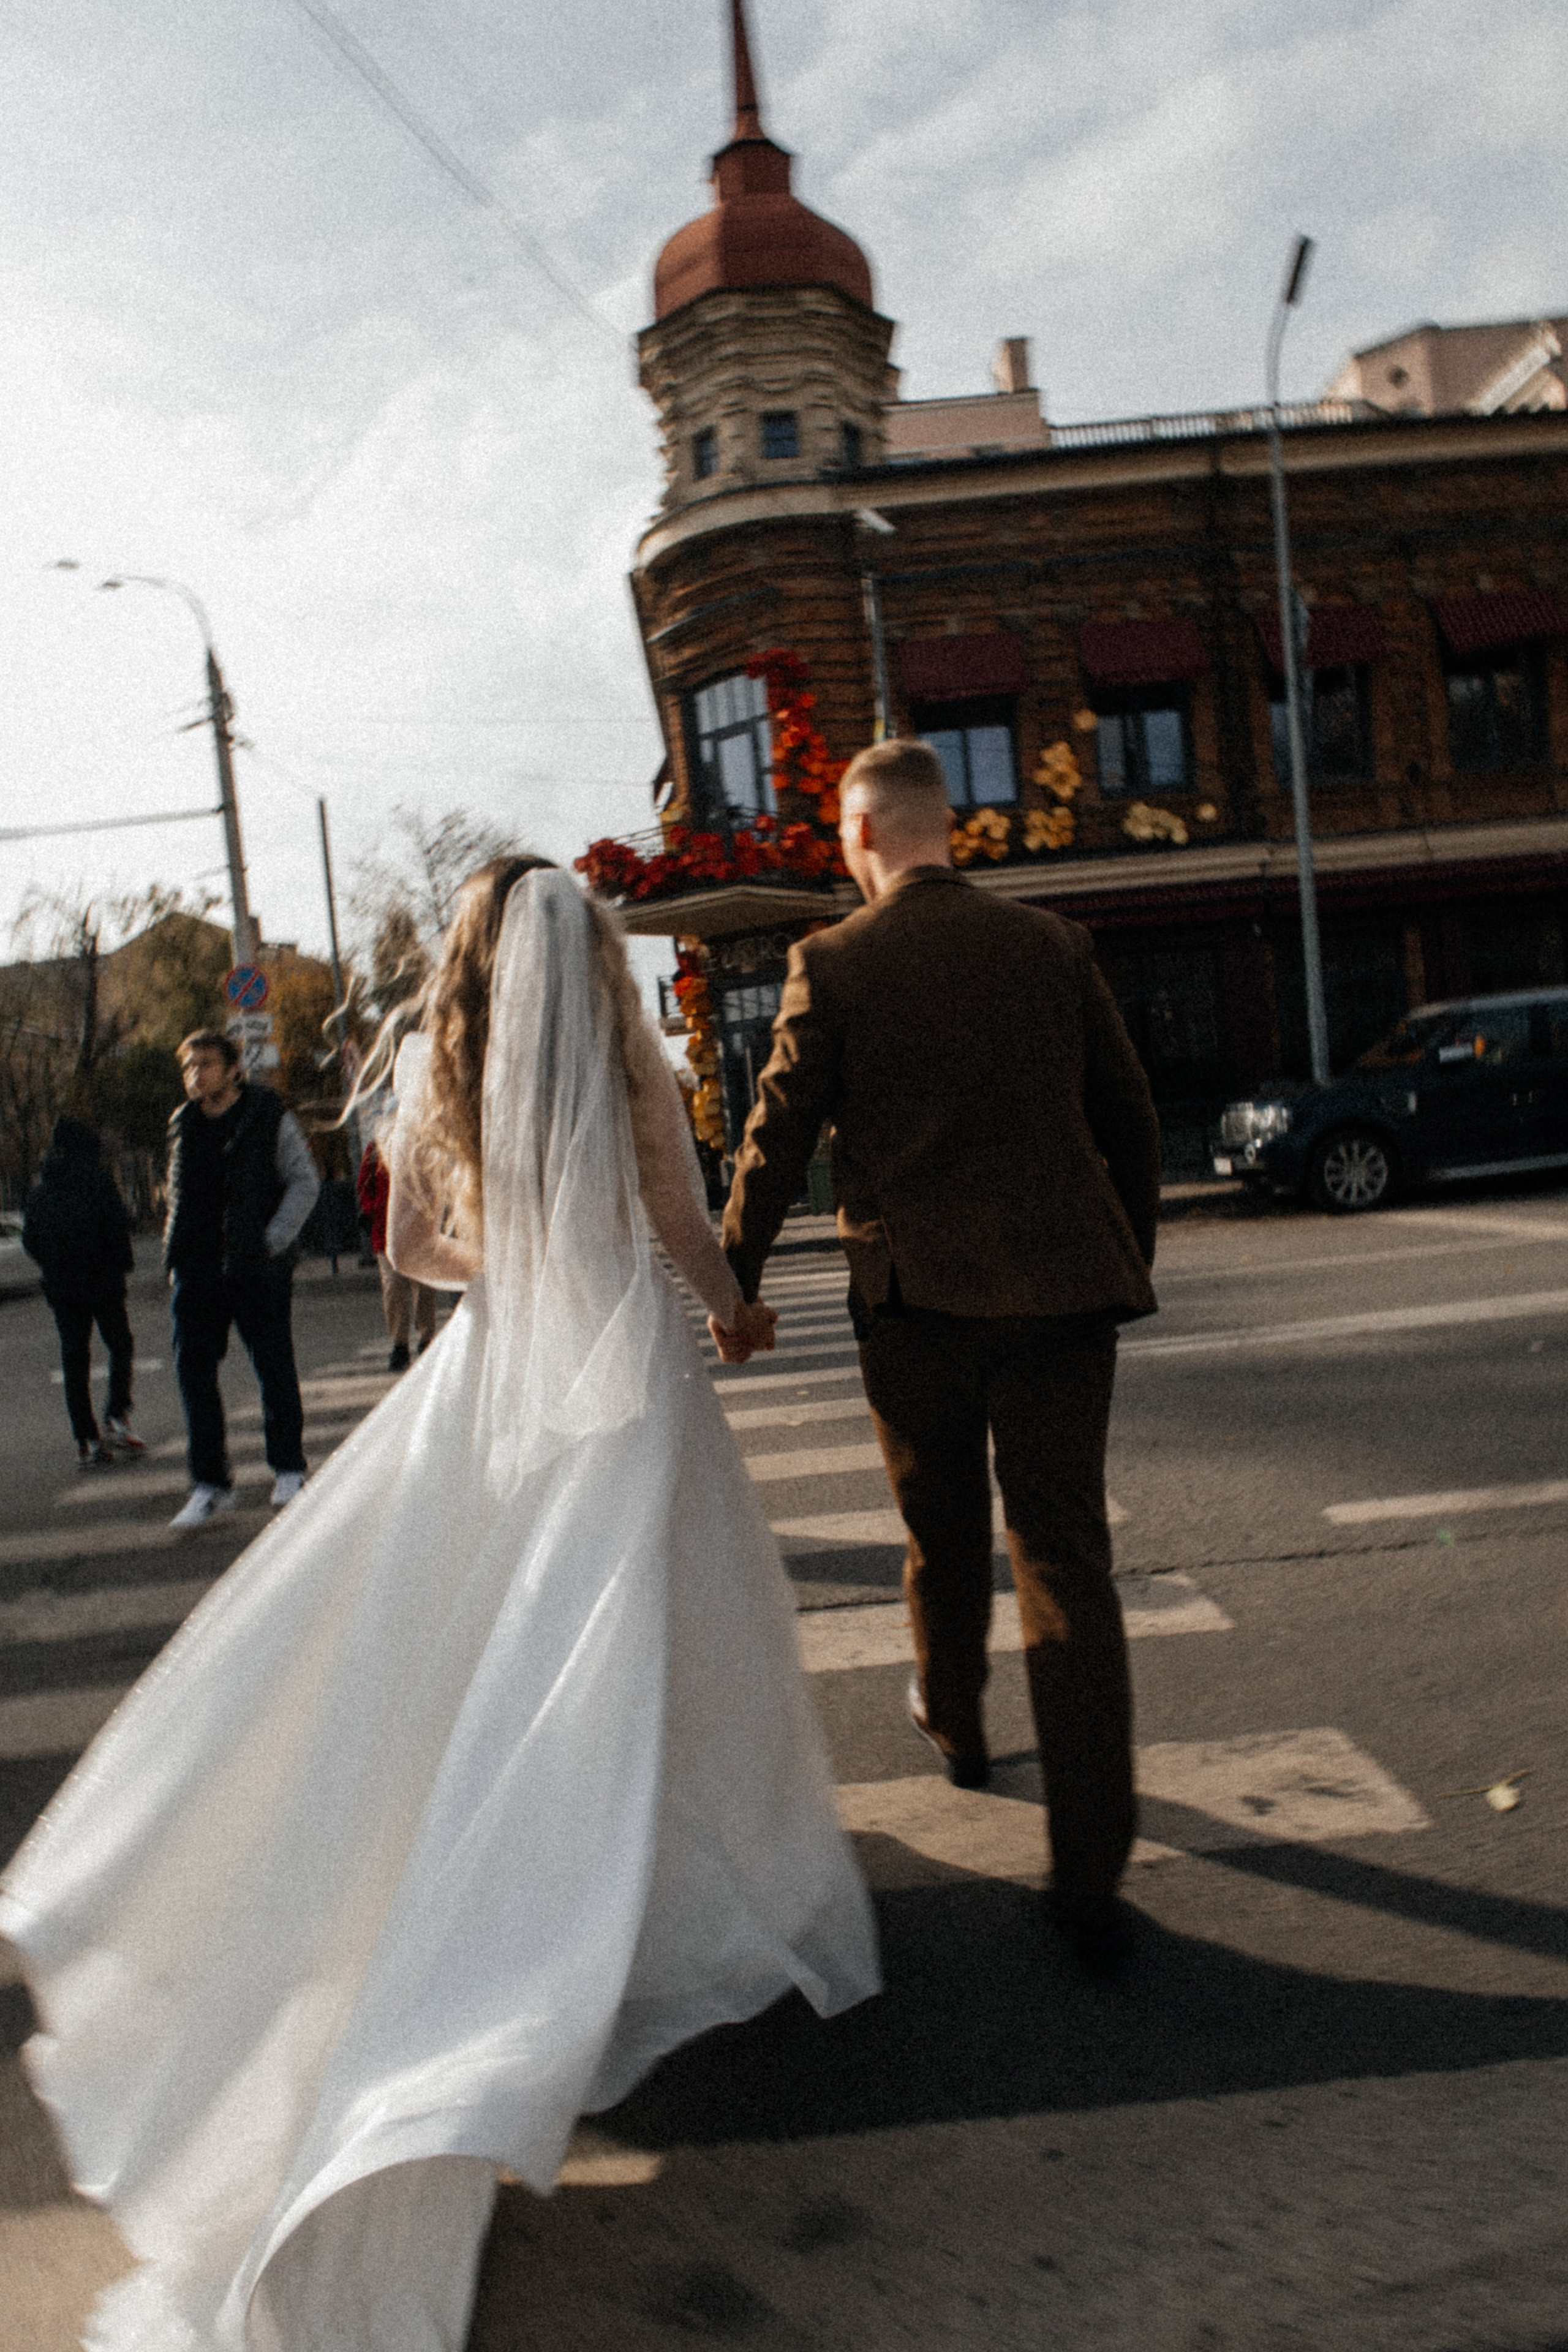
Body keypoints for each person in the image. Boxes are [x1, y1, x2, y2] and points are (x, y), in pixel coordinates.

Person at [0, 859, 876, 2352]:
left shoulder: (438, 1065)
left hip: (495, 1369)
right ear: (588, 959)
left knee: (488, 1644)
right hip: (625, 1375)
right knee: (641, 1642)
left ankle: (529, 1883)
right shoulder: (624, 1054)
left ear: (471, 964)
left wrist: (524, 1262)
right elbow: (672, 1207)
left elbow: (411, 1249)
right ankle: (589, 1912)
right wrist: (725, 1303)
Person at [719, 737, 1162, 1978]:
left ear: (857, 836)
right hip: (1062, 1297)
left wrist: (732, 1281)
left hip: (913, 1307)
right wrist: (1120, 1253)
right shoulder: (1048, 945)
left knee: (940, 1535)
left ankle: (957, 1725)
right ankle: (1087, 1876)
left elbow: (776, 1134)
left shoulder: (833, 963)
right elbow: (1125, 1116)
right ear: (945, 827)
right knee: (1066, 1562)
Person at [164, 1027, 321, 1528]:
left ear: (233, 1070)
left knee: (273, 1367)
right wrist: (174, 1253)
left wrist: (273, 1241)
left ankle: (289, 1469)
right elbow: (175, 1191)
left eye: (206, 1064)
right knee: (195, 1377)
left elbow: (305, 1180)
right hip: (197, 1268)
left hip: (256, 1265)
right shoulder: (183, 1124)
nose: (196, 1074)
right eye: (189, 1066)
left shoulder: (266, 1115)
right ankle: (210, 1484)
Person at [21, 1115, 145, 1469]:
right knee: (120, 1345)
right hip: (103, 1283)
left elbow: (31, 1239)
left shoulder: (41, 1190)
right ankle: (117, 1413)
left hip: (63, 1288)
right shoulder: (98, 1181)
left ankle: (87, 1439)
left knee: (75, 1361)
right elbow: (118, 1226)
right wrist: (120, 1265)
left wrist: (53, 1265)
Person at [357, 1131, 438, 1370]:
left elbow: (434, 1182)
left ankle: (426, 1338)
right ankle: (400, 1344)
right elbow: (364, 1186)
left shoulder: (422, 1146)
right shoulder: (375, 1149)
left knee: (423, 1286)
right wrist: (373, 1210)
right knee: (393, 1287)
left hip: (418, 1229)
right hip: (384, 1233)